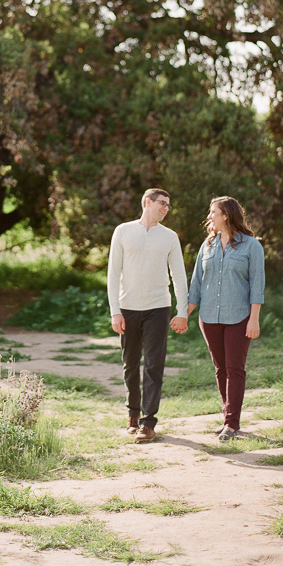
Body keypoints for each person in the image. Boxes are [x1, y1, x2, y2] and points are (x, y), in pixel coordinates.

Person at [108, 188, 189, 444]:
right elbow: (113, 273)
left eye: (168, 205)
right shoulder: (123, 231)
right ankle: (132, 414)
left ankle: (148, 422)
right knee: (130, 363)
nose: (165, 208)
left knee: (154, 364)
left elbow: (179, 276)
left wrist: (182, 311)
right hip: (128, 307)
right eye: (162, 203)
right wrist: (115, 311)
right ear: (147, 202)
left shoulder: (170, 237)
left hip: (158, 307)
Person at [187, 196, 264, 441]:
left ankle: (232, 424)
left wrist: (254, 319)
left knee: (235, 369)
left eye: (213, 212)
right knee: (221, 369)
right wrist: (183, 316)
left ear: (226, 216)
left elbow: (257, 286)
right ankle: (227, 418)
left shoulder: (251, 246)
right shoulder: (206, 246)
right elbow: (196, 285)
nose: (209, 216)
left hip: (239, 317)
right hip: (209, 317)